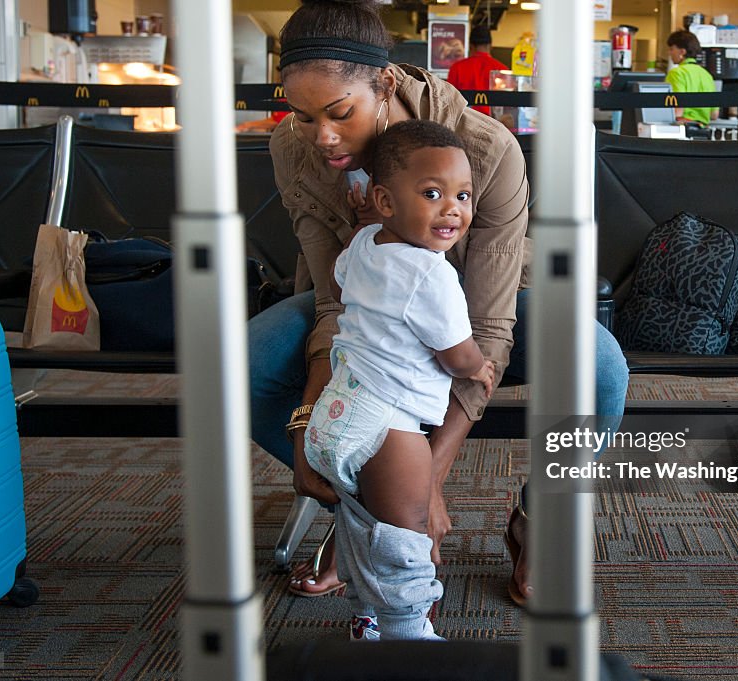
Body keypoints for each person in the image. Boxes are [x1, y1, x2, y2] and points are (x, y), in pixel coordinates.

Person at [247, 0, 629, 608]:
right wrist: (305, 430)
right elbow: (330, 303)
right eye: (301, 115)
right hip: (368, 308)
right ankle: (369, 514)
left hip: (484, 305)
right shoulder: (294, 151)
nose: (322, 136)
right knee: (247, 362)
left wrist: (430, 480)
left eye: (340, 113)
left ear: (386, 83)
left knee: (599, 366)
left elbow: (487, 329)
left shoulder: (485, 150)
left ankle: (539, 516)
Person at [304, 119, 494, 640]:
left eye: (462, 195)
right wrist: (480, 367)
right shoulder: (433, 274)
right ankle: (410, 636)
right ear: (386, 201)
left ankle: (368, 619)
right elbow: (456, 355)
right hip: (388, 427)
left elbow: (343, 279)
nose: (452, 208)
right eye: (432, 194)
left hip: (338, 411)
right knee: (403, 542)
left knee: (362, 528)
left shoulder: (366, 242)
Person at [446, 24, 507, 117]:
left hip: (465, 122)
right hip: (494, 123)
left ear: (470, 46)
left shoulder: (457, 68)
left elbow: (449, 100)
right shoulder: (502, 69)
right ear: (490, 46)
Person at [665, 30, 717, 126]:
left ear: (682, 52)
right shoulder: (706, 75)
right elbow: (714, 114)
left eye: (672, 49)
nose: (669, 53)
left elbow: (678, 108)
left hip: (683, 127)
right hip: (703, 130)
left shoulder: (677, 73)